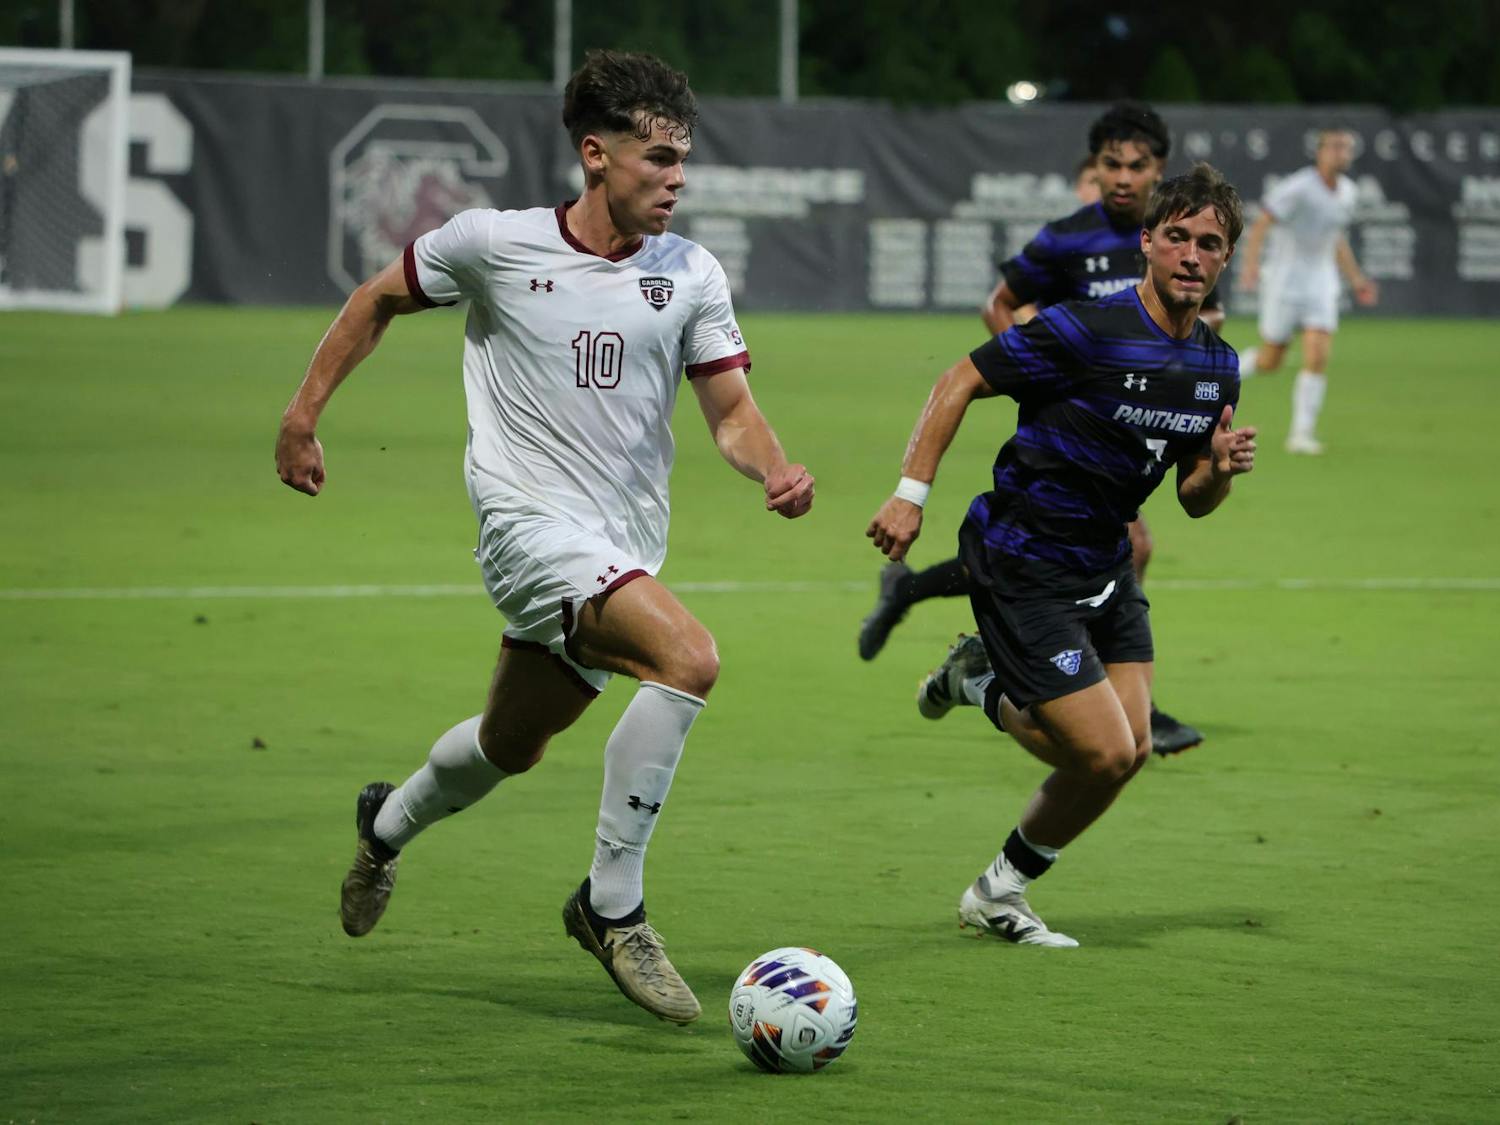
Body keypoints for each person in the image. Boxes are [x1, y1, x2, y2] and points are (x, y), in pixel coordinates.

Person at [274, 49, 814, 1024]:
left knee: (508, 745)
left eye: (683, 159)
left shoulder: (689, 272)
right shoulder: (495, 243)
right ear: (596, 154)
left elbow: (731, 410)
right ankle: (612, 907)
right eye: (658, 158)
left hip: (621, 545)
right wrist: (302, 416)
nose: (677, 178)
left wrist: (770, 466)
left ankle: (384, 826)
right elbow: (376, 298)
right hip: (525, 529)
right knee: (688, 658)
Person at [865, 165, 1256, 947]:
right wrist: (910, 493)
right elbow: (959, 378)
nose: (1191, 254)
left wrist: (1217, 469)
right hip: (1024, 558)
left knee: (1129, 752)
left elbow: (1192, 498)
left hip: (1104, 566)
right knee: (1102, 751)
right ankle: (978, 680)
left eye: (1209, 243)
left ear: (1225, 259)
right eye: (1176, 236)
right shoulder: (1085, 328)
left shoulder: (1217, 368)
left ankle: (998, 891)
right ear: (1147, 242)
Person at [861, 103, 1216, 757]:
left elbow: (1198, 326)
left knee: (1096, 549)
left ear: (1158, 169)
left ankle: (927, 604)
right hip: (1071, 431)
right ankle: (1086, 691)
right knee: (1090, 544)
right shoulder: (1067, 238)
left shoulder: (1182, 239)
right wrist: (1034, 375)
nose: (1123, 178)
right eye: (1111, 164)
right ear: (1094, 168)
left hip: (1133, 428)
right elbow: (998, 304)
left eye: (1137, 166)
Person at [1235, 128, 1378, 454]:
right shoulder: (1298, 187)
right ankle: (1223, 375)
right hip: (1284, 282)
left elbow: (1336, 238)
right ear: (1321, 151)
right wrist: (1250, 265)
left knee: (1317, 354)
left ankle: (1301, 434)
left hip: (1321, 284)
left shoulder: (1348, 192)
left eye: (1347, 147)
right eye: (1336, 146)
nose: (1342, 153)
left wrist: (1356, 279)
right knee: (1271, 360)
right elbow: (1262, 222)